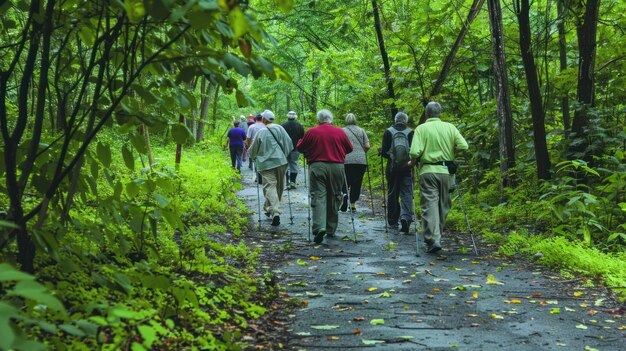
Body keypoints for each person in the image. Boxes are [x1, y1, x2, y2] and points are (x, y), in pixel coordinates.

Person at [409, 101, 468, 253]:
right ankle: (437, 237)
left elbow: (415, 152)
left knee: (430, 205)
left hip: (428, 171)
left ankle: (433, 239)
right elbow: (464, 146)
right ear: (439, 113)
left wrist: (413, 162)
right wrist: (452, 152)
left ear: (426, 113)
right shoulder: (450, 127)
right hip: (447, 171)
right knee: (444, 204)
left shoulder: (421, 128)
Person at [297, 110, 353, 244]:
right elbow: (349, 148)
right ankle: (330, 228)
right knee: (334, 195)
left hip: (317, 166)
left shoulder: (312, 131)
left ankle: (319, 226)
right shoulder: (340, 132)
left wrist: (301, 142)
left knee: (319, 195)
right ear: (330, 119)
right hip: (337, 166)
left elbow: (300, 147)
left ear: (319, 119)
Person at [248, 110, 293, 226]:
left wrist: (252, 156)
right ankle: (272, 210)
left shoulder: (261, 132)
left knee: (270, 187)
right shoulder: (280, 128)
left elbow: (253, 150)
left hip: (266, 164)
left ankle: (274, 211)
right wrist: (285, 155)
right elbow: (289, 143)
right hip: (280, 161)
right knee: (278, 187)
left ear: (264, 119)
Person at [380, 111, 414, 234]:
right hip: (407, 168)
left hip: (392, 168)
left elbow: (384, 152)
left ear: (395, 120)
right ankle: (405, 217)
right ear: (406, 120)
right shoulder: (410, 132)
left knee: (392, 193)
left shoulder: (388, 131)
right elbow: (414, 151)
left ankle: (393, 220)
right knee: (407, 193)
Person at [341, 113, 370, 212]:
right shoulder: (361, 130)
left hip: (346, 159)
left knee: (345, 180)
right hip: (360, 160)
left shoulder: (342, 131)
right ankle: (352, 204)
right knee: (357, 182)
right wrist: (361, 153)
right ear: (355, 120)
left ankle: (344, 194)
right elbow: (367, 146)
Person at [281, 111, 305, 189]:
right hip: (296, 149)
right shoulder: (299, 126)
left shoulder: (282, 126)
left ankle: (287, 183)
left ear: (287, 117)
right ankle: (293, 182)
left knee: (285, 165)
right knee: (294, 164)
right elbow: (302, 138)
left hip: (285, 149)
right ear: (295, 117)